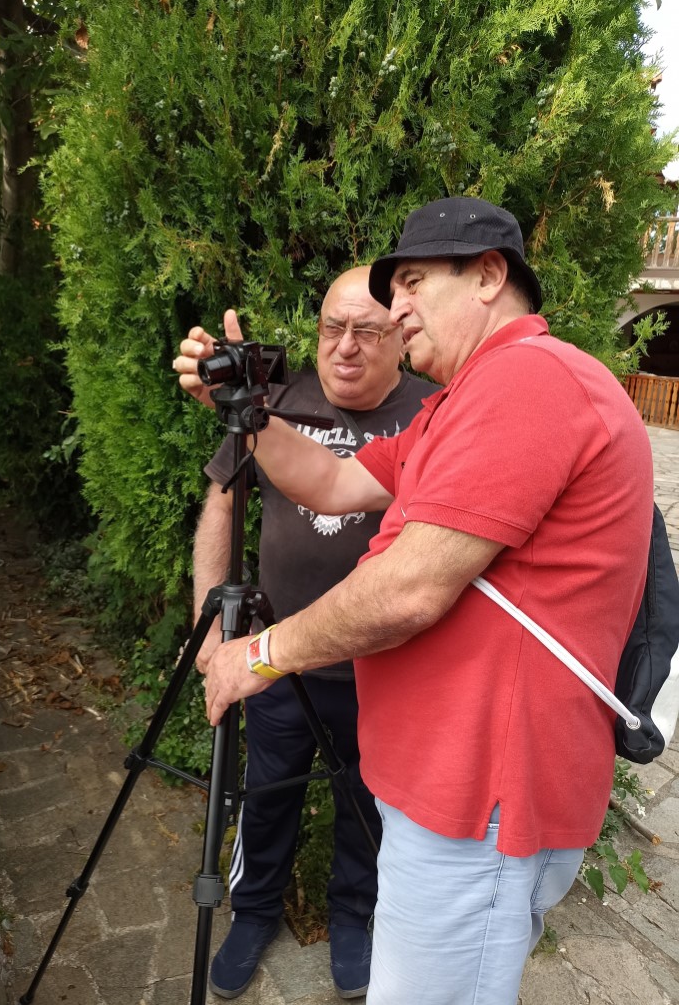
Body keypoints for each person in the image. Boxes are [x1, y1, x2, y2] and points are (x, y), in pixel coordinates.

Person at [175, 196, 654, 1004]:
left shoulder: (529, 379)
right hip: (455, 796)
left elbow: (409, 588)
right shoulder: (457, 408)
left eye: (414, 283)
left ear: (489, 276)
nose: (396, 309)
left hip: (480, 802)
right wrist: (248, 410)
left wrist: (259, 653)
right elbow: (331, 479)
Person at [192, 265, 438, 999]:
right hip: (276, 657)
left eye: (367, 330)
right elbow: (221, 507)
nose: (345, 346)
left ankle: (353, 917)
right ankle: (253, 912)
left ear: (401, 338)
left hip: (386, 669)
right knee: (266, 793)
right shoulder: (275, 403)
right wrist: (210, 623)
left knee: (368, 804)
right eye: (333, 326)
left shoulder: (433, 414)